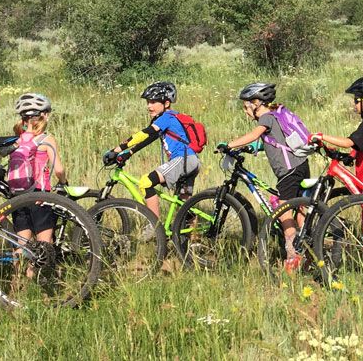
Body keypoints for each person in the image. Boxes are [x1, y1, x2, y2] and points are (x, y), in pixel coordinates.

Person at [220, 82, 311, 273]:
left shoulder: (266, 117)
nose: (245, 112)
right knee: (300, 209)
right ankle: (306, 247)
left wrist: (230, 145)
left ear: (257, 103)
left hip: (288, 172)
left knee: (283, 212)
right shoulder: (277, 114)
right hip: (300, 165)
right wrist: (254, 148)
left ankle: (293, 257)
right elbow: (273, 140)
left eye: (246, 107)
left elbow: (255, 134)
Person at [103, 81, 202, 219]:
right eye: (148, 102)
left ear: (166, 103)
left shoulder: (166, 117)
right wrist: (129, 153)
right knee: (183, 205)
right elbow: (149, 139)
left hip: (182, 160)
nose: (149, 106)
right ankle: (191, 238)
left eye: (154, 102)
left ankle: (154, 227)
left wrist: (117, 149)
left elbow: (145, 134)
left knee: (146, 182)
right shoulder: (168, 117)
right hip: (191, 161)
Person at [311, 76, 363, 191]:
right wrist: (350, 156)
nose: (354, 104)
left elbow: (347, 142)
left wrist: (321, 136)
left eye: (357, 100)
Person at [8, 93, 66, 247]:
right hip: (39, 195)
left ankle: (19, 271)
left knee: (22, 243)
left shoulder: (17, 139)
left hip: (18, 196)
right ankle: (43, 271)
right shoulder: (46, 139)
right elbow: (59, 169)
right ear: (44, 116)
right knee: (44, 243)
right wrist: (63, 182)